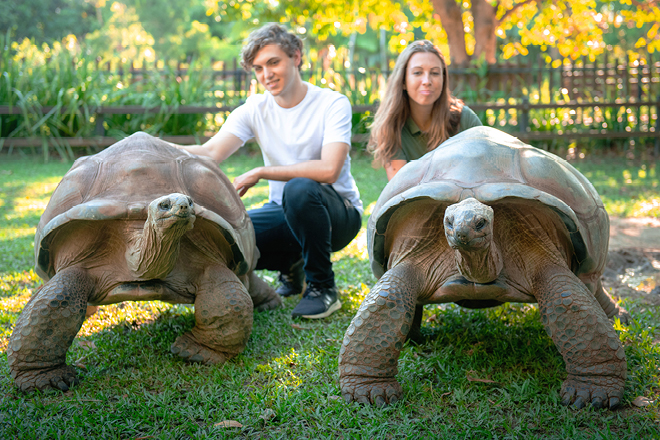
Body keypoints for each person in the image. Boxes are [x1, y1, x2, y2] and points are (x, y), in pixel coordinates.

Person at [178, 24, 363, 319]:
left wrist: (262, 171)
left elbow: (329, 170)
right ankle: (291, 266)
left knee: (299, 188)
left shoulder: (332, 103)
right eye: (259, 68)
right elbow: (212, 152)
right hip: (284, 212)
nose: (267, 75)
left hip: (338, 214)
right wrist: (151, 145)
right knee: (228, 240)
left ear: (296, 57)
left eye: (274, 62)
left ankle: (323, 287)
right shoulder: (255, 108)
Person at [368, 40, 482, 180]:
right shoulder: (391, 125)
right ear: (403, 81)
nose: (427, 81)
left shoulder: (465, 119)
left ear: (443, 79)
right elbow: (402, 187)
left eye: (434, 73)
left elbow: (486, 172)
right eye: (417, 73)